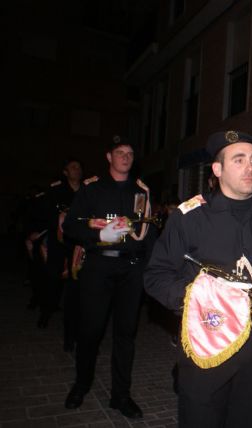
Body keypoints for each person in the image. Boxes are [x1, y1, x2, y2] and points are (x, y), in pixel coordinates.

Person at [144, 130, 252, 427]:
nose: (250, 167)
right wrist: (201, 299)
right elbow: (155, 276)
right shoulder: (190, 216)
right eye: (239, 160)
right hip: (208, 337)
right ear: (217, 170)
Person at [62, 136, 156, 419]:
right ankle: (82, 384)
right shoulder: (92, 189)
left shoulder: (142, 191)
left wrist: (151, 271)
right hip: (99, 268)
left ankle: (121, 395)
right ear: (109, 157)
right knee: (90, 330)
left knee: (126, 334)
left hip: (131, 270)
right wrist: (98, 235)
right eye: (119, 153)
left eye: (129, 153)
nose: (126, 157)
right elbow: (70, 226)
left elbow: (147, 233)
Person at [38, 158, 83, 343]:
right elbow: (46, 212)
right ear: (65, 172)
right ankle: (46, 312)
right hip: (59, 242)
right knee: (52, 279)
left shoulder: (87, 190)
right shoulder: (56, 190)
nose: (77, 170)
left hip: (78, 244)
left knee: (76, 280)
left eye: (79, 167)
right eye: (73, 167)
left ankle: (72, 324)